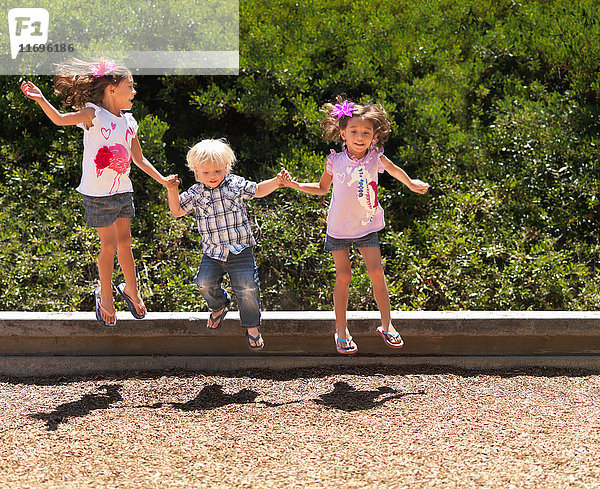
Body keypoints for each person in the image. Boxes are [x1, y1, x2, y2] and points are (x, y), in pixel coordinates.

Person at [20, 58, 172, 327]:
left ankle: (131, 289)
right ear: (111, 89)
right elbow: (58, 120)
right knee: (110, 245)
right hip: (97, 195)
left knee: (125, 244)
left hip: (123, 191)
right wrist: (41, 98)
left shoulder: (129, 122)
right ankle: (105, 296)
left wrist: (164, 181)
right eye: (130, 86)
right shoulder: (92, 114)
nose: (134, 92)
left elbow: (139, 159)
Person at [281, 97, 429, 354]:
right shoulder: (335, 161)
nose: (360, 137)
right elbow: (321, 188)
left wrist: (412, 183)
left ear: (374, 137)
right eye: (354, 132)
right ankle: (341, 329)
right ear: (343, 134)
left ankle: (387, 324)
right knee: (344, 276)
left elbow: (395, 171)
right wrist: (294, 185)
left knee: (376, 273)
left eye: (366, 132)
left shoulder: (375, 158)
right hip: (338, 228)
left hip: (366, 226)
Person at [166, 138, 284, 350]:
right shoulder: (196, 193)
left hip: (240, 250)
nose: (212, 177)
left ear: (227, 168)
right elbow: (176, 211)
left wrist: (276, 182)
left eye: (218, 171)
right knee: (203, 282)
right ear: (195, 171)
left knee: (247, 288)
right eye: (206, 173)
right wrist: (171, 190)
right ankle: (219, 305)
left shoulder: (235, 185)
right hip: (213, 252)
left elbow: (257, 190)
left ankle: (252, 326)